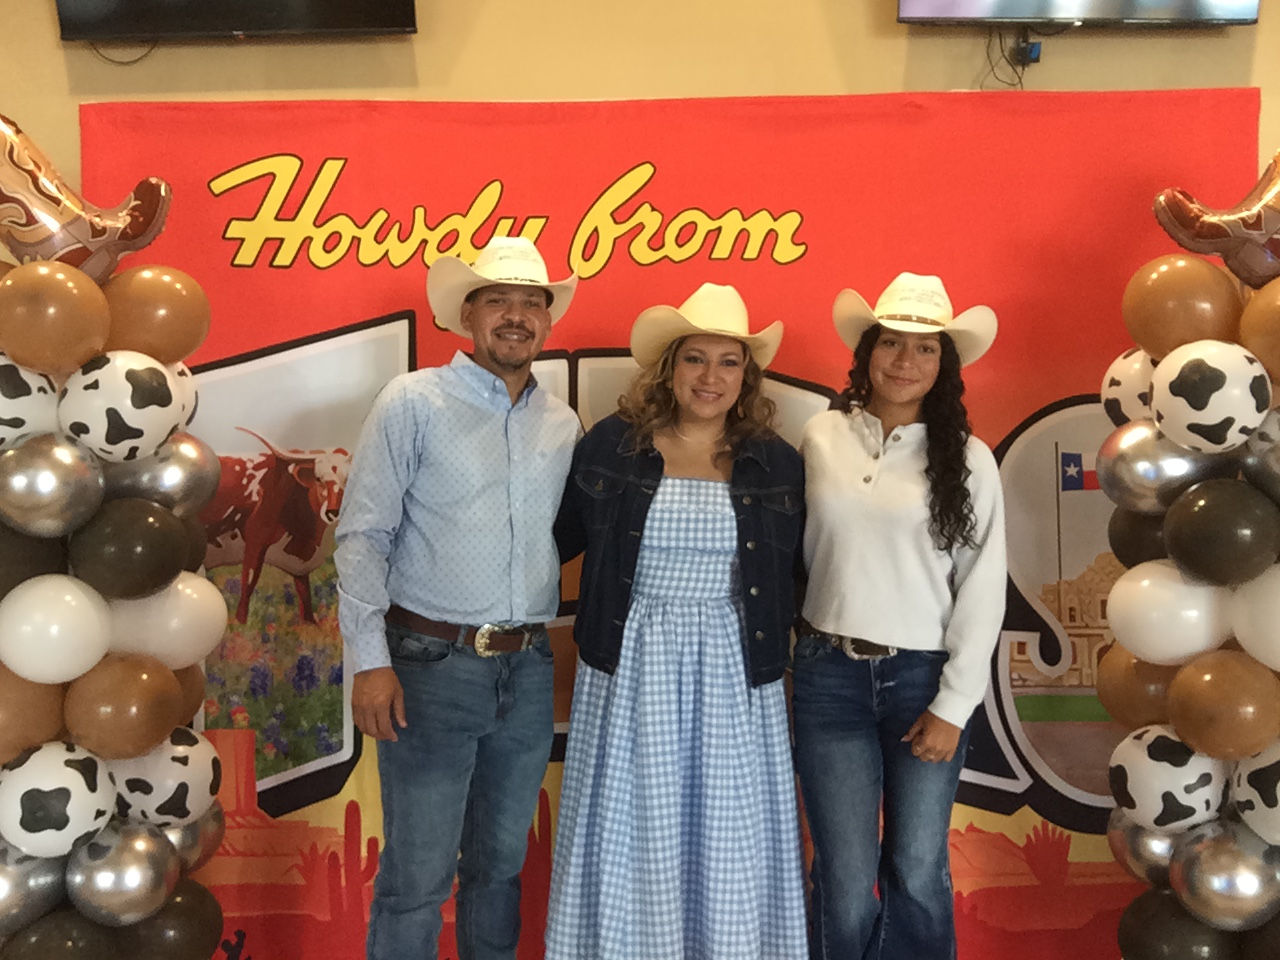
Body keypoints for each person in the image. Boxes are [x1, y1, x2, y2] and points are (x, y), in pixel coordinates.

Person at [334, 236, 582, 960]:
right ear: (466, 316)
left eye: (531, 303)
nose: (515, 316)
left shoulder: (562, 425)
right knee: (417, 876)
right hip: (428, 666)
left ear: (547, 319)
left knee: (500, 870)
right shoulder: (412, 402)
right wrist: (370, 661)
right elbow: (361, 537)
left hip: (528, 667)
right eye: (497, 300)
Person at [545, 283, 810, 960]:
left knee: (727, 830)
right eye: (696, 359)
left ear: (747, 375)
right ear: (670, 368)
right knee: (635, 824)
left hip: (732, 661)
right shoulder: (611, 446)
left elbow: (804, 573)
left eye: (729, 362)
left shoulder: (776, 462)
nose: (711, 377)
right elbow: (552, 542)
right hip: (631, 657)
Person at [793, 272, 1007, 960]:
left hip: (922, 680)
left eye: (924, 349)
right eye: (891, 343)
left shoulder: (969, 460)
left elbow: (982, 587)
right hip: (828, 677)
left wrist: (954, 705)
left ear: (945, 366)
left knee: (916, 867)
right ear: (867, 352)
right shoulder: (820, 437)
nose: (905, 362)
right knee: (846, 875)